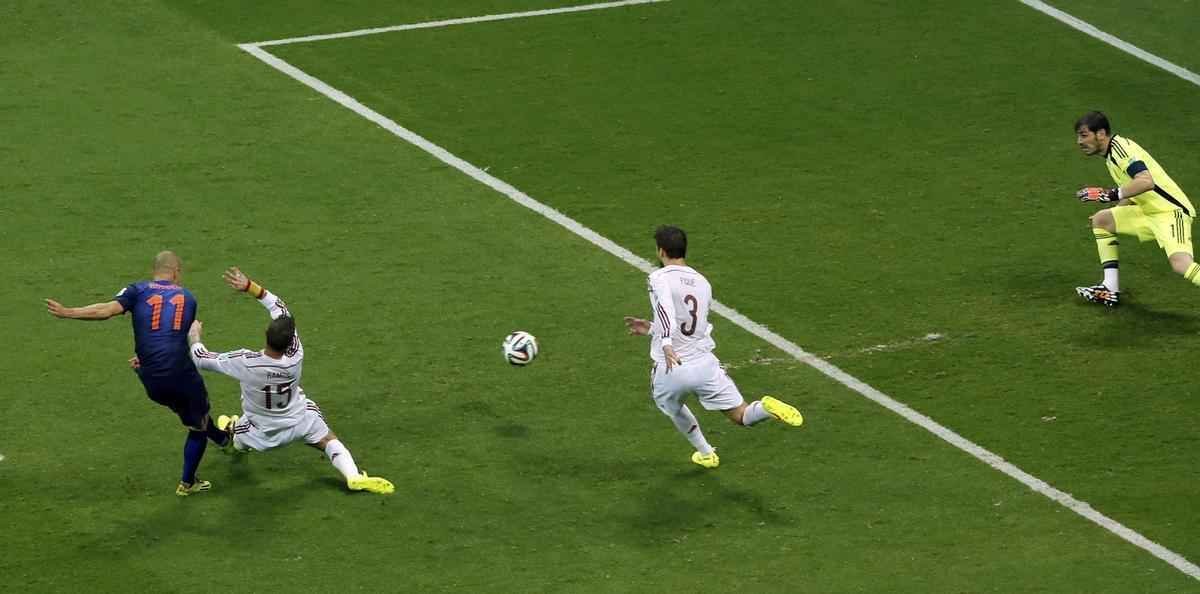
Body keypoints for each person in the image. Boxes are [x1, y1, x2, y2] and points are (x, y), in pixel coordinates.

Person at [187, 267, 394, 495]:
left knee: (236, 440)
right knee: (327, 439)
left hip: (261, 432)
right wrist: (250, 287)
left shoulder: (246, 362)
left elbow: (201, 358)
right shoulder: (296, 355)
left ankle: (234, 436)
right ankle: (353, 476)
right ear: (289, 341)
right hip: (299, 422)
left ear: (266, 334)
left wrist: (195, 336)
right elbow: (281, 309)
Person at [46, 251, 230, 496]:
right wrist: (196, 334)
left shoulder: (137, 290)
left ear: (154, 270)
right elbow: (176, 338)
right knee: (197, 424)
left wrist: (68, 312)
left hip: (150, 378)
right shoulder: (188, 297)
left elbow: (105, 310)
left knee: (189, 411)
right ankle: (188, 483)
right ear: (176, 271)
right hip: (180, 375)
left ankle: (223, 440)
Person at [623, 226, 803, 469]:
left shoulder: (658, 277)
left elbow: (667, 310)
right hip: (704, 364)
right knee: (741, 416)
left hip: (672, 366)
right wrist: (653, 329)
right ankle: (767, 409)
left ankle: (706, 453)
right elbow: (692, 326)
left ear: (661, 251)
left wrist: (664, 341)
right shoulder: (702, 283)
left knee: (672, 407)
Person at [1074, 111, 1195, 306]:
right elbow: (1131, 191)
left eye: (1084, 135)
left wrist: (1108, 194)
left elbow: (1146, 182)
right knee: (1102, 220)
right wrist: (1115, 210)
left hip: (1171, 212)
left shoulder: (1121, 150)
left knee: (1181, 264)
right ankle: (1110, 288)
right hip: (1149, 211)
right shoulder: (1111, 155)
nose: (1079, 141)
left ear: (1101, 133)